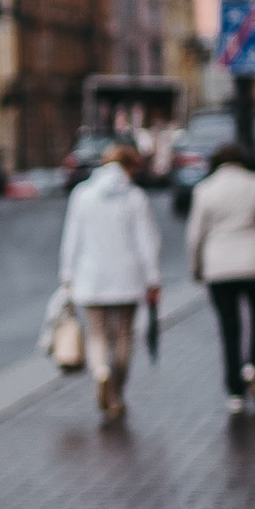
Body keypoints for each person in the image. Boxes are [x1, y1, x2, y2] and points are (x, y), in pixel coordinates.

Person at [57, 136, 163, 421]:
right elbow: (147, 243)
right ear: (129, 167)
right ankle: (116, 391)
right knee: (125, 334)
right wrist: (153, 279)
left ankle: (101, 371)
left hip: (90, 276)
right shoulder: (134, 197)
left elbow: (72, 239)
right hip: (128, 277)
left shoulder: (82, 194)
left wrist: (67, 275)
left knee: (98, 332)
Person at [186, 138, 255, 414]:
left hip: (219, 268)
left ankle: (235, 392)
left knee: (229, 329)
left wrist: (196, 268)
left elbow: (195, 236)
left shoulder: (204, 190)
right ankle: (253, 365)